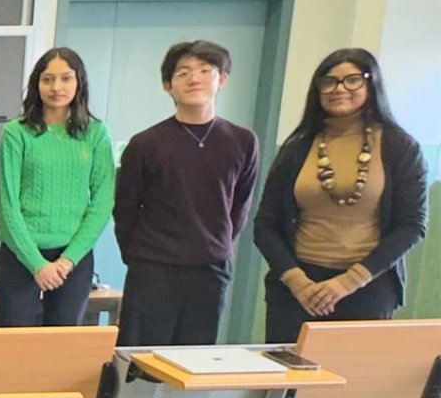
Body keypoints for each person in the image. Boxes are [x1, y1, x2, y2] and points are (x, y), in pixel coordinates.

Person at [256, 48, 428, 343]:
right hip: (297, 290)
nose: (339, 89)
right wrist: (298, 283)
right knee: (287, 386)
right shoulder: (297, 146)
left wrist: (348, 283)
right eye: (329, 81)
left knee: (351, 382)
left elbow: (411, 226)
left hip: (367, 287)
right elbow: (265, 225)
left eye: (351, 80)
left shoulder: (400, 147)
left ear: (371, 84)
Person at [114, 41, 259, 346]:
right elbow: (125, 210)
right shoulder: (146, 144)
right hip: (153, 268)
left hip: (210, 270)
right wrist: (140, 257)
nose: (194, 79)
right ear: (168, 86)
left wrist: (215, 244)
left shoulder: (243, 141)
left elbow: (240, 205)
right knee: (140, 360)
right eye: (183, 73)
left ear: (222, 79)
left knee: (194, 360)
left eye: (205, 71)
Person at [0, 48, 114, 326]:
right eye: (47, 79)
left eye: (65, 78)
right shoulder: (17, 132)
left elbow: (102, 202)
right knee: (14, 349)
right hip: (20, 256)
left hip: (73, 259)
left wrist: (67, 261)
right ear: (37, 84)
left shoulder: (96, 133)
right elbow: (7, 203)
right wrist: (36, 264)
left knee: (62, 348)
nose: (56, 87)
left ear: (79, 83)